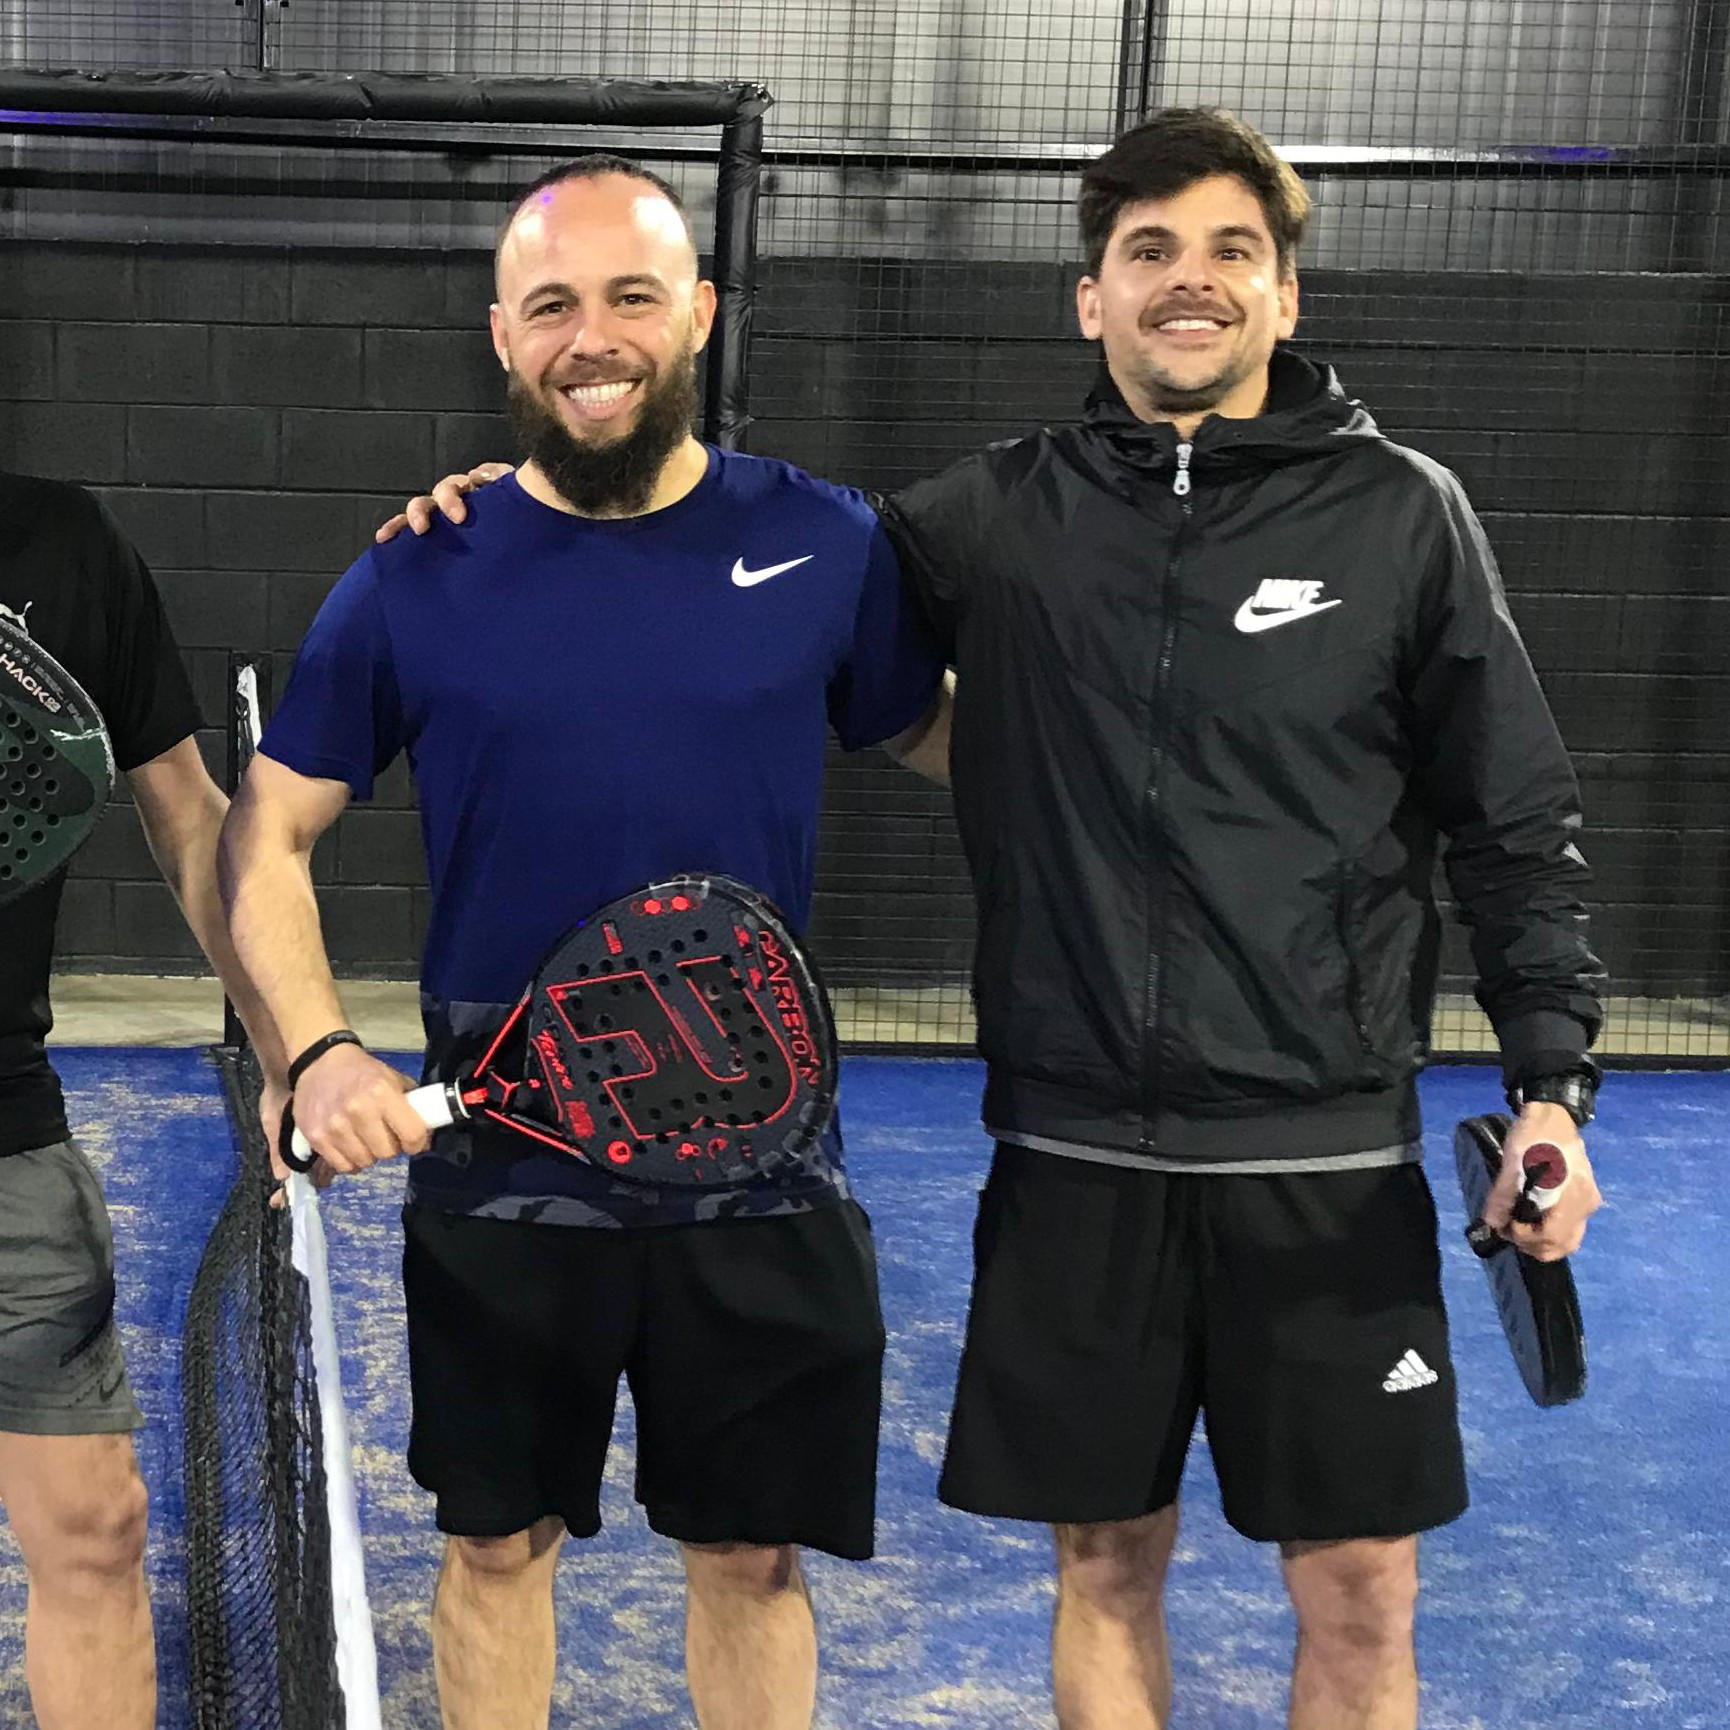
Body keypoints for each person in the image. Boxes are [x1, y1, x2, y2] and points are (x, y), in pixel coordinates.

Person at [393, 110, 1607, 1730]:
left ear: (1286, 293)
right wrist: (537, 497)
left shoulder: (1402, 515)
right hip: (1073, 1151)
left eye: (1230, 251)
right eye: (1148, 251)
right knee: (1101, 1568)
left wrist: (1551, 1082)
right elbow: (730, 548)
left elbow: (1517, 822)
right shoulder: (996, 514)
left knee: (1362, 1593)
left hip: (1322, 1156)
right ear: (1090, 299)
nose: (1189, 281)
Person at [216, 155, 947, 1730]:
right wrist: (317, 1050)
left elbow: (954, 739)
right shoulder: (419, 568)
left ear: (698, 312)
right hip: (505, 1170)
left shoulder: (827, 543)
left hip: (763, 1162)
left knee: (751, 1554)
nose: (591, 337)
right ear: (502, 335)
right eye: (551, 305)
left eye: (630, 296)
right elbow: (262, 837)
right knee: (495, 1547)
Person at [0, 472, 282, 1729]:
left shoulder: (62, 544)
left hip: (6, 1134)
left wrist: (293, 1047)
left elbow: (188, 823)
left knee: (97, 1528)